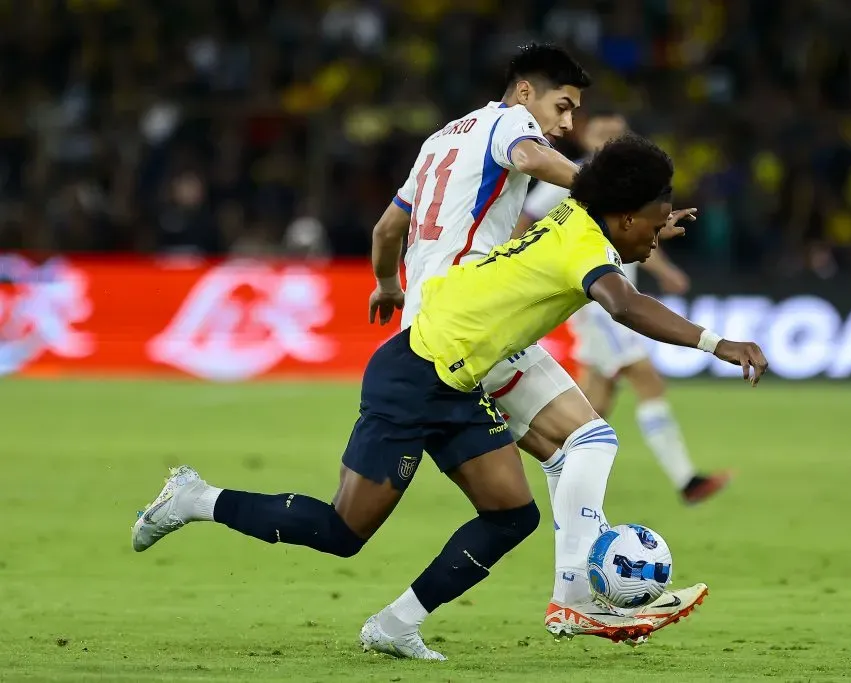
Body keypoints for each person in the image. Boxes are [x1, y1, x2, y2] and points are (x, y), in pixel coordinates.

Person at [130, 134, 768, 661]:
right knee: (342, 531)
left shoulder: (583, 215)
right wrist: (718, 342)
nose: (656, 240)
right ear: (625, 217)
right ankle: (196, 498)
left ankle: (397, 624)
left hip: (462, 378)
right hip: (415, 375)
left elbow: (616, 230)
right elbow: (625, 304)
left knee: (513, 512)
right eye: (652, 226)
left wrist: (653, 223)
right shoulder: (584, 244)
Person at [367, 43, 709, 641]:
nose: (567, 123)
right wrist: (614, 197)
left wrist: (385, 283)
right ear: (526, 92)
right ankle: (576, 596)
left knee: (566, 455)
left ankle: (561, 600)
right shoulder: (513, 125)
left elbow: (387, 227)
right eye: (564, 106)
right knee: (582, 444)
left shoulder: (443, 139)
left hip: (428, 320)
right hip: (472, 319)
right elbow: (530, 155)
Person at [515, 111, 731, 505]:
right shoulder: (573, 175)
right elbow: (526, 218)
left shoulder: (621, 186)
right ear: (586, 138)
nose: (610, 140)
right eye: (602, 133)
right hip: (599, 301)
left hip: (612, 291)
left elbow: (634, 235)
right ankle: (687, 480)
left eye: (617, 134)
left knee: (593, 404)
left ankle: (555, 465)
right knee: (647, 380)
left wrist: (664, 270)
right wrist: (517, 263)